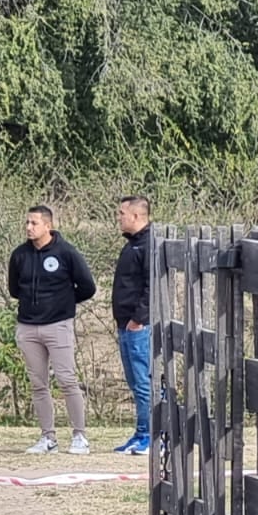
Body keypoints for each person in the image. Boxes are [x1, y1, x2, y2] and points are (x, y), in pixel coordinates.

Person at [7, 205, 97, 455]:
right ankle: (48, 437)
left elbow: (88, 287)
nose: (28, 227)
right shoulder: (19, 255)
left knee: (67, 380)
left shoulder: (66, 252)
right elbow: (14, 289)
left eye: (34, 223)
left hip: (58, 325)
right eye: (27, 222)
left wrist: (63, 302)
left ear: (48, 225)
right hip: (28, 327)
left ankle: (80, 436)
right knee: (38, 384)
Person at [111, 195, 153, 455]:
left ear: (136, 216)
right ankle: (140, 433)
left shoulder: (149, 245)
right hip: (124, 324)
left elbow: (153, 286)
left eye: (122, 213)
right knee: (134, 381)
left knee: (144, 380)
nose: (119, 217)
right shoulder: (131, 245)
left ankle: (152, 435)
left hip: (139, 326)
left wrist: (139, 318)